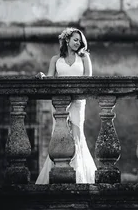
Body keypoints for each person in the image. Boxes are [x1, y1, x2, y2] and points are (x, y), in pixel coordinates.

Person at [35, 27, 97, 184]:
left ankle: (78, 176)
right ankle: (58, 172)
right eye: (75, 39)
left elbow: (88, 80)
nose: (78, 43)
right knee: (60, 135)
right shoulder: (56, 59)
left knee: (76, 135)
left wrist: (74, 95)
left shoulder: (84, 58)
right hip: (59, 103)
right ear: (67, 41)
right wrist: (42, 77)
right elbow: (50, 78)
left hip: (77, 102)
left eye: (80, 40)